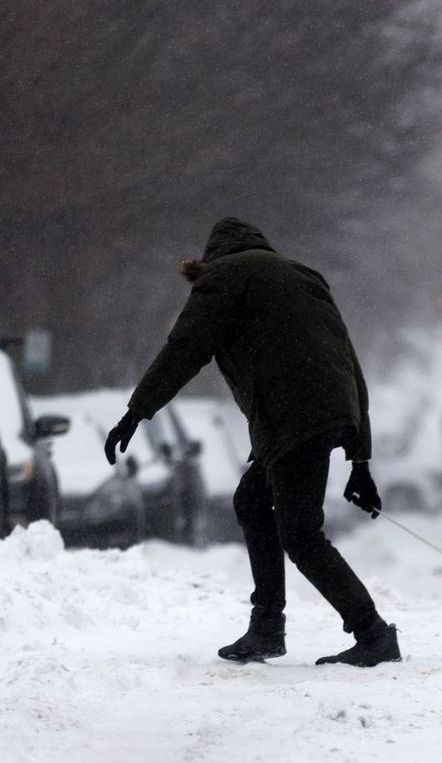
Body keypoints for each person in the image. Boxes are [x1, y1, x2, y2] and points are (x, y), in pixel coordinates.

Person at [104, 217, 399, 667]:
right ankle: (266, 627)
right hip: (323, 410)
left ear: (212, 255)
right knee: (252, 500)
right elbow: (348, 362)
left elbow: (185, 348)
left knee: (300, 532)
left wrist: (136, 411)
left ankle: (372, 633)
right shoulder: (303, 275)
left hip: (291, 413)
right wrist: (360, 458)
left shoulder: (221, 278)